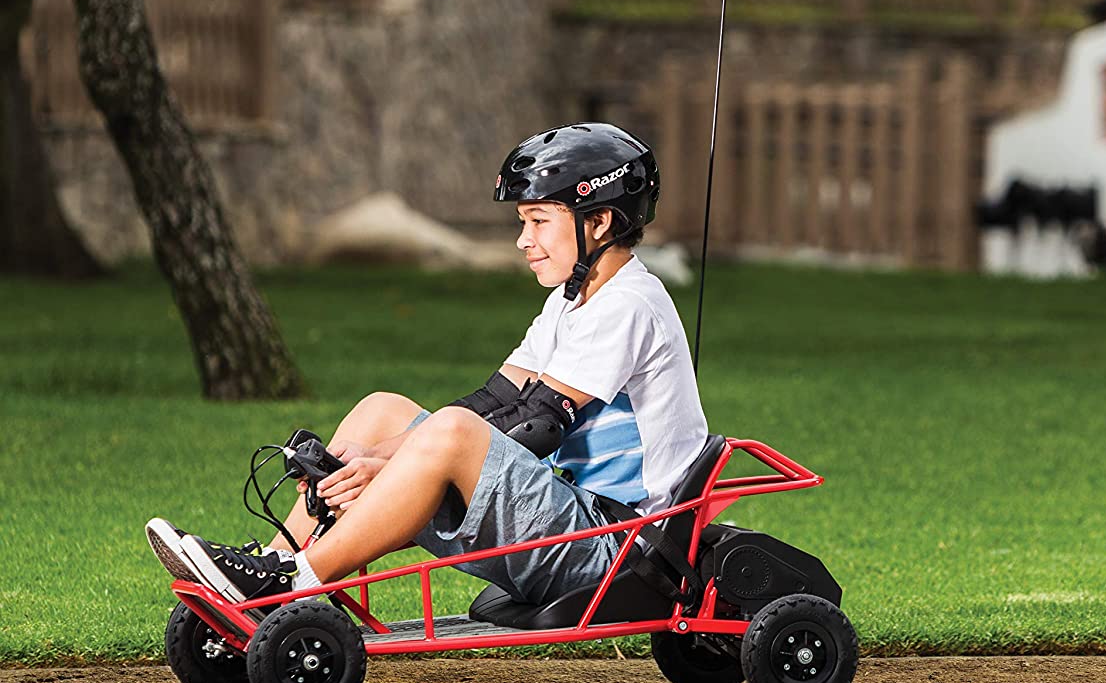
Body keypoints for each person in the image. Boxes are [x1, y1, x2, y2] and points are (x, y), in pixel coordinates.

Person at [146, 123, 710, 611]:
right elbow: (497, 400)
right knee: (381, 412)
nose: (523, 240)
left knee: (452, 431)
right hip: (576, 523)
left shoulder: (628, 304)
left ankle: (296, 583)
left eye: (539, 221)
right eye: (523, 222)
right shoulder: (571, 300)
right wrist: (376, 455)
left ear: (601, 221)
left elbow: (538, 424)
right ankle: (273, 563)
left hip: (620, 549)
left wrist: (388, 467)